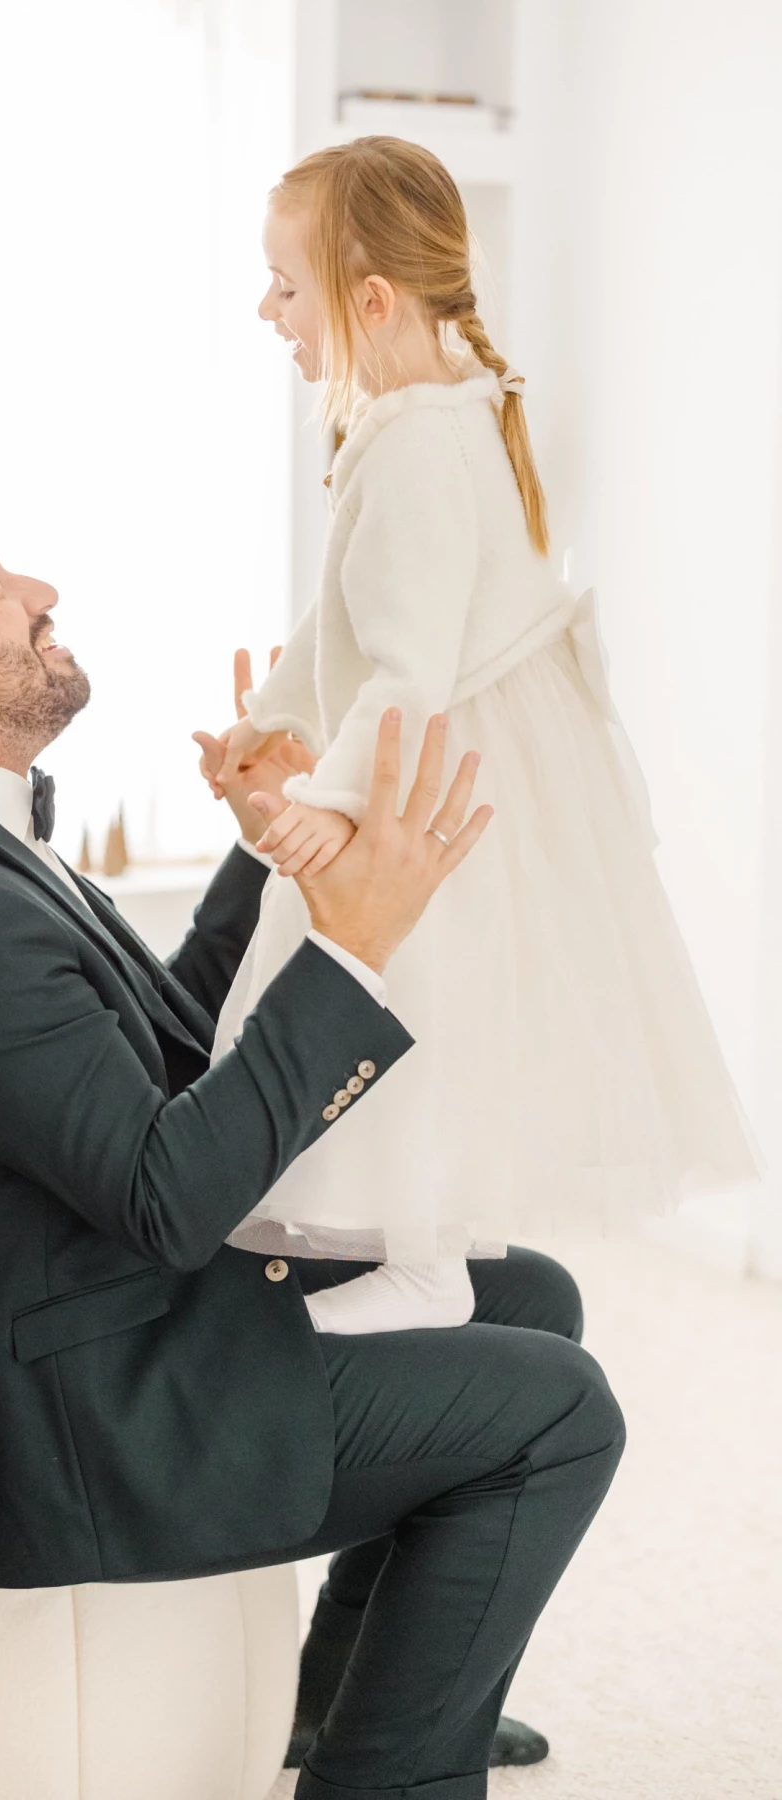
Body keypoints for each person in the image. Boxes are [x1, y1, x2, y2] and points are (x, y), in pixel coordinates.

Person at [0, 483, 624, 1798]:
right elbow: (172, 1195)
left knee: (528, 1295)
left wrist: (270, 851)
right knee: (558, 1416)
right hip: (55, 1411)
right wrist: (355, 941)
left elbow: (154, 1055)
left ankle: (336, 1706)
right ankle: (385, 1780)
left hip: (89, 1306)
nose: (41, 591)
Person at [210, 136, 759, 1336]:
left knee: (409, 1001)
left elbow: (408, 666)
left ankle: (422, 1259)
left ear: (369, 301)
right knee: (423, 1005)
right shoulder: (431, 418)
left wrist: (328, 799)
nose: (268, 309)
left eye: (285, 286)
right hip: (449, 747)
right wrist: (269, 721)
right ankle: (423, 1253)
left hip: (439, 773)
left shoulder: (413, 442)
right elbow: (339, 616)